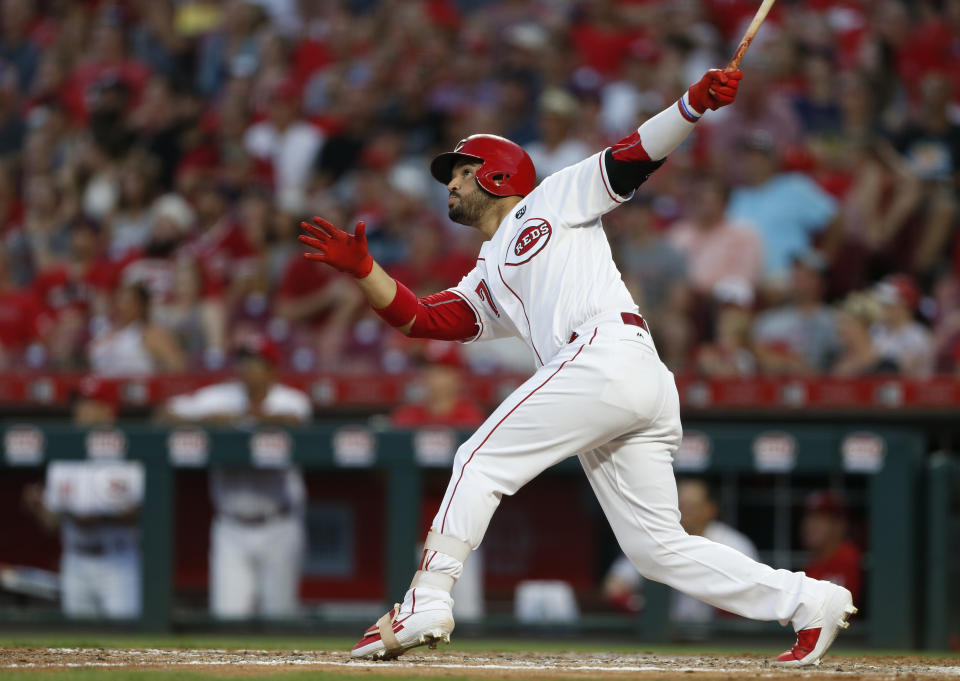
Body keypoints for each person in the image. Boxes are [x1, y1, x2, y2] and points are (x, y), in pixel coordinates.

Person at [299, 68, 855, 667]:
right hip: (623, 375)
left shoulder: (553, 197)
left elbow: (631, 156)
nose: (452, 185)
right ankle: (808, 601)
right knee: (656, 551)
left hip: (605, 353)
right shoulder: (489, 270)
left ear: (497, 174)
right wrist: (366, 272)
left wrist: (691, 105)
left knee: (478, 459)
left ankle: (427, 598)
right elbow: (425, 320)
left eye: (461, 171)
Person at [158, 334, 311, 619]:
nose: (247, 370)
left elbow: (297, 421)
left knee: (279, 617)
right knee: (228, 616)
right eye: (243, 362)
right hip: (230, 527)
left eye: (256, 363)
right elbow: (163, 415)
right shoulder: (218, 398)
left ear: (272, 370)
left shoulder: (291, 400)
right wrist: (205, 422)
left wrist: (239, 420)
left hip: (279, 524)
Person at [22, 376, 143, 619]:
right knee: (77, 642)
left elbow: (145, 515)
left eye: (89, 404)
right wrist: (38, 506)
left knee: (124, 644)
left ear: (109, 412)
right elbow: (52, 524)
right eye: (78, 404)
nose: (79, 411)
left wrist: (99, 519)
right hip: (75, 560)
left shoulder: (129, 457)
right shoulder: (63, 460)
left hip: (118, 560)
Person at [604, 478, 758, 624]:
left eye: (691, 506)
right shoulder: (655, 538)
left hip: (719, 636)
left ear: (710, 509)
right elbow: (614, 587)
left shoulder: (733, 543)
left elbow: (753, 594)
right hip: (665, 635)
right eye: (680, 505)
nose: (684, 512)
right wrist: (644, 608)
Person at [752, 251, 839, 375]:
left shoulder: (834, 320)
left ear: (822, 282)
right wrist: (784, 362)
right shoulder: (769, 319)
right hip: (774, 386)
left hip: (820, 387)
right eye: (796, 273)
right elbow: (756, 350)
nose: (798, 279)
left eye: (807, 275)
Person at [800, 491, 863, 606]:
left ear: (839, 525)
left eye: (819, 519)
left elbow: (839, 611)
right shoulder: (812, 565)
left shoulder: (847, 557)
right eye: (808, 517)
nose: (810, 525)